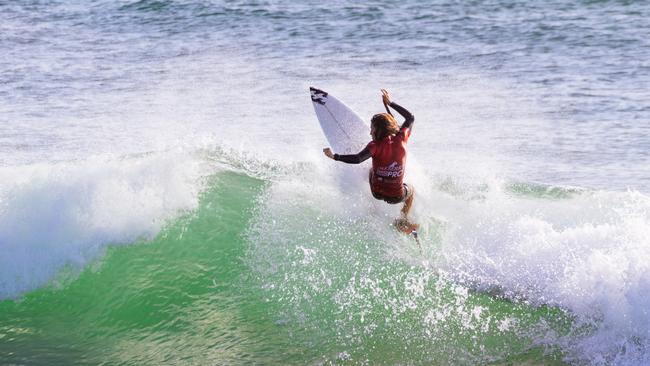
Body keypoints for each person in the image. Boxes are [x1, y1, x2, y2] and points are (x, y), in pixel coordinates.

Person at [323, 89, 417, 232]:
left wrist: (335, 156)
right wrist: (390, 103)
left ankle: (372, 210)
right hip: (396, 197)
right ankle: (403, 219)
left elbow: (358, 158)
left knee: (372, 170)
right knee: (411, 191)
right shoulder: (402, 138)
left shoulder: (375, 146)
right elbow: (410, 117)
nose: (370, 132)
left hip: (376, 192)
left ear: (379, 131)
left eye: (372, 129)